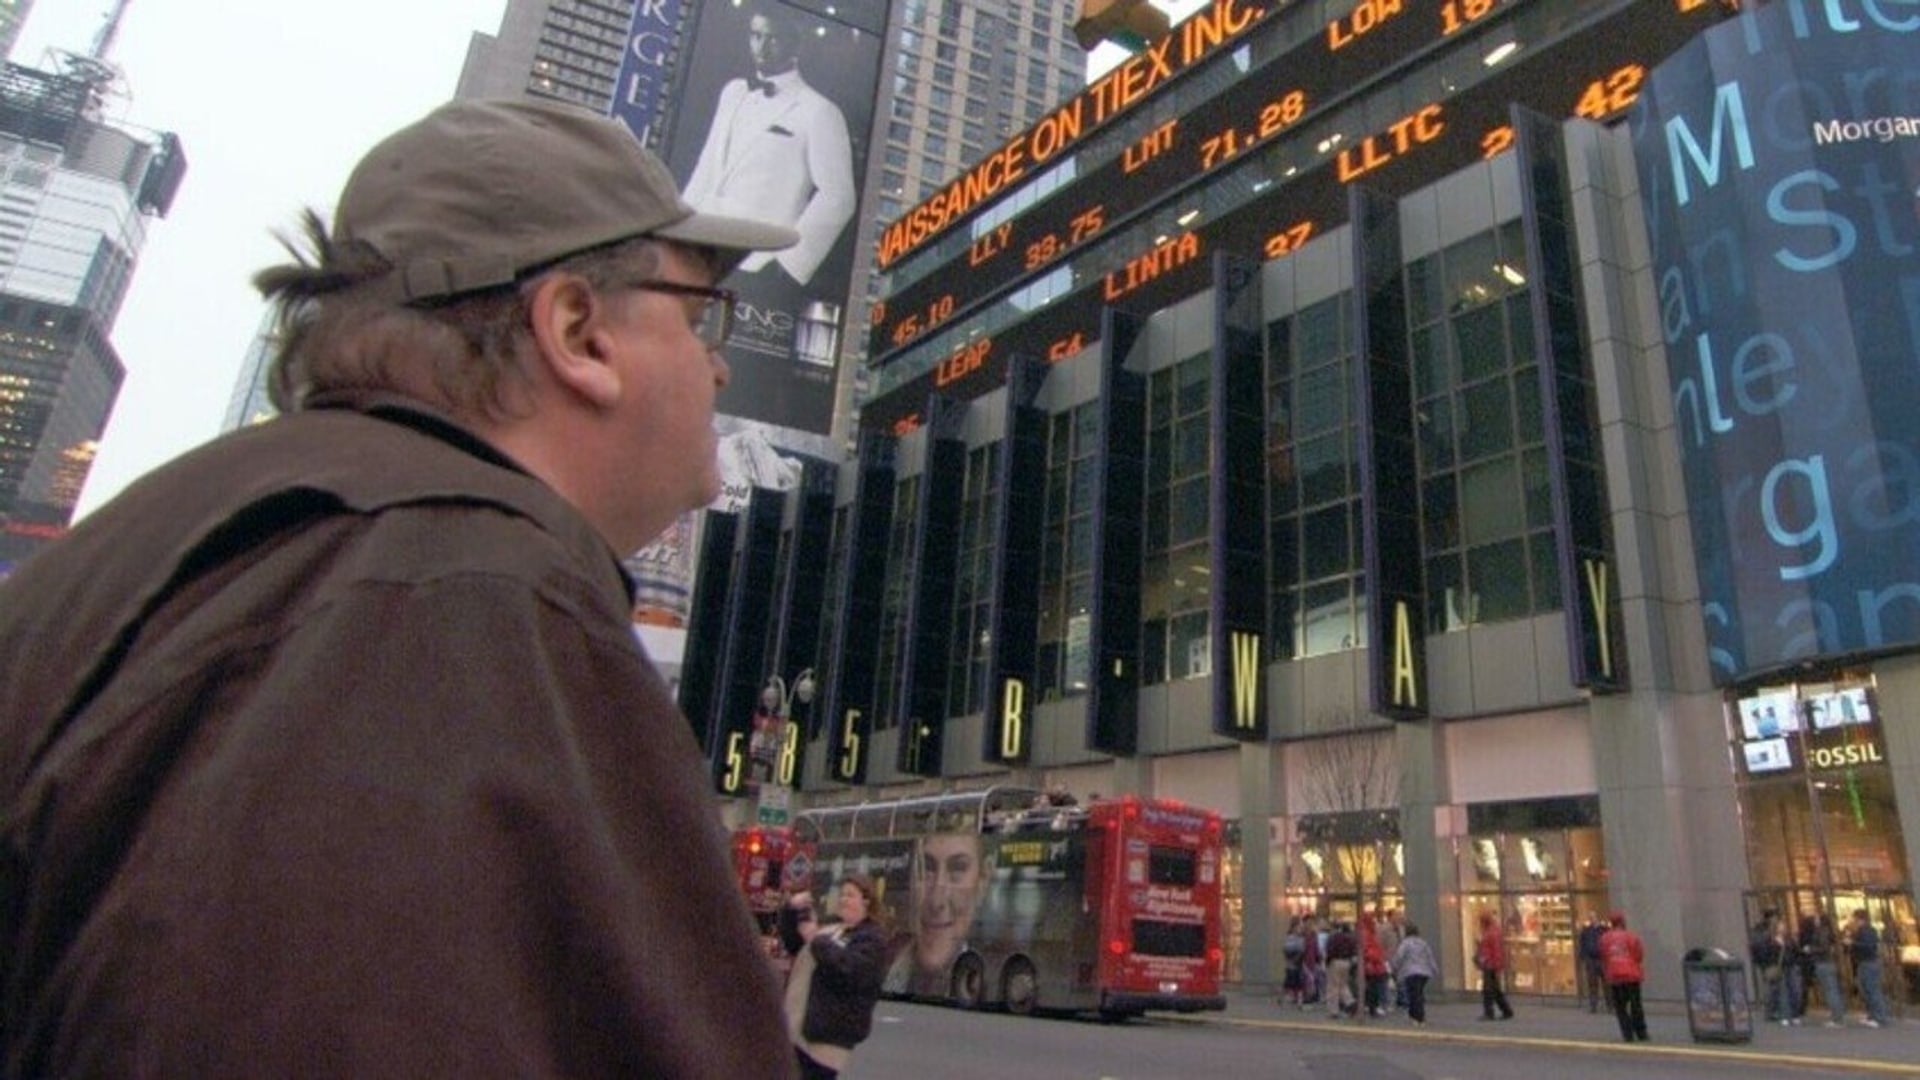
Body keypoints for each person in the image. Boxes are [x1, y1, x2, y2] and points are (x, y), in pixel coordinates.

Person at [0, 99, 801, 1078]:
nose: (718, 367)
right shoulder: (467, 599)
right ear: (578, 332)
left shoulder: (159, 539)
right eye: (697, 317)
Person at [683, 2, 855, 287]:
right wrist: (678, 235)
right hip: (699, 250)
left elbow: (839, 196)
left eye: (773, 39)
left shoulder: (819, 111)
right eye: (756, 36)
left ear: (795, 45)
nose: (761, 47)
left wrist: (787, 264)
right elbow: (707, 166)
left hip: (754, 264)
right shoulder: (734, 92)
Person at [782, 876, 889, 1080]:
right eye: (841, 895)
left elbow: (848, 970)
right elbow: (793, 943)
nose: (843, 900)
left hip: (826, 1038)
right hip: (796, 1030)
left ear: (866, 901)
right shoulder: (831, 929)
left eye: (850, 895)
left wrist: (815, 939)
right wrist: (792, 911)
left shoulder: (872, 939)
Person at [886, 830, 990, 994]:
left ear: (982, 881)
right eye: (927, 869)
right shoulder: (884, 969)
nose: (936, 901)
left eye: (957, 869)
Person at [1598, 911, 1649, 1042]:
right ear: (1622, 922)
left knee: (1620, 1007)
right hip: (1631, 975)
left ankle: (1628, 1034)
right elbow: (1639, 955)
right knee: (1636, 1005)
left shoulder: (1604, 939)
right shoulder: (1631, 936)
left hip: (1615, 976)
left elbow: (1603, 956)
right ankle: (1641, 1033)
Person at [1389, 922, 1439, 1026]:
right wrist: (1434, 969)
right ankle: (1417, 1015)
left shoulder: (1405, 943)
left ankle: (1417, 1016)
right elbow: (1430, 956)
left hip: (1410, 972)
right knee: (1418, 993)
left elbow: (1399, 956)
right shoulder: (1423, 943)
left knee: (1413, 994)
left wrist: (1394, 967)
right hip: (1424, 972)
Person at [1848, 909, 1890, 1028]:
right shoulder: (1865, 930)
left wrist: (1853, 943)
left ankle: (1880, 1017)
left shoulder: (1866, 930)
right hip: (1865, 962)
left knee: (1872, 990)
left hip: (1869, 962)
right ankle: (1872, 1015)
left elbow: (1869, 946)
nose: (1853, 921)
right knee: (1866, 990)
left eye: (1854, 919)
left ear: (1859, 919)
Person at [1804, 912, 1847, 1027]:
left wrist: (1810, 949)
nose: (1814, 920)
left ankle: (1837, 1018)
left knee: (1830, 991)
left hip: (1823, 963)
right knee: (1832, 989)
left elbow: (1823, 948)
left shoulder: (1822, 932)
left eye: (1816, 918)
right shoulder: (1827, 931)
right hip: (1827, 962)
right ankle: (1838, 1014)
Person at [1474, 911, 1515, 1021]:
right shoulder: (1490, 931)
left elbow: (1496, 951)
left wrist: (1497, 966)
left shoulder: (1491, 932)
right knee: (1495, 990)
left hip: (1490, 965)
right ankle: (1506, 1010)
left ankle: (1489, 1012)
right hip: (1489, 963)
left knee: (1488, 990)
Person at [1750, 908, 1788, 1023]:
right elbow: (1761, 947)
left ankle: (1775, 1011)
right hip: (1769, 962)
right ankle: (1772, 1011)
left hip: (1772, 961)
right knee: (1773, 987)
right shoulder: (1765, 931)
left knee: (1775, 987)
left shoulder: (1761, 930)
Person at [1325, 920, 1359, 1019]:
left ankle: (1334, 1011)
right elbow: (1354, 952)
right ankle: (1350, 1002)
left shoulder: (1334, 937)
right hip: (1347, 962)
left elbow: (1330, 951)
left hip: (1335, 962)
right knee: (1343, 985)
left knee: (1333, 987)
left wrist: (1327, 962)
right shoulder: (1351, 939)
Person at [1359, 912, 1390, 1018]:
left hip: (1372, 964)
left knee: (1372, 986)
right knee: (1374, 986)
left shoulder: (1366, 933)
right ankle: (1373, 1007)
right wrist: (1376, 958)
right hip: (1373, 964)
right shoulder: (1369, 933)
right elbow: (1369, 949)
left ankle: (1370, 1006)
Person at [1577, 911, 1608, 1013]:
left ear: (1597, 918)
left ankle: (1610, 1004)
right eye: (1590, 917)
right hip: (1591, 960)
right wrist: (1583, 957)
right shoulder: (1586, 931)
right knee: (1592, 984)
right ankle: (1593, 1005)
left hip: (1602, 959)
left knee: (1606, 984)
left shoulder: (1603, 929)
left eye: (1593, 917)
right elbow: (1582, 944)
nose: (1592, 919)